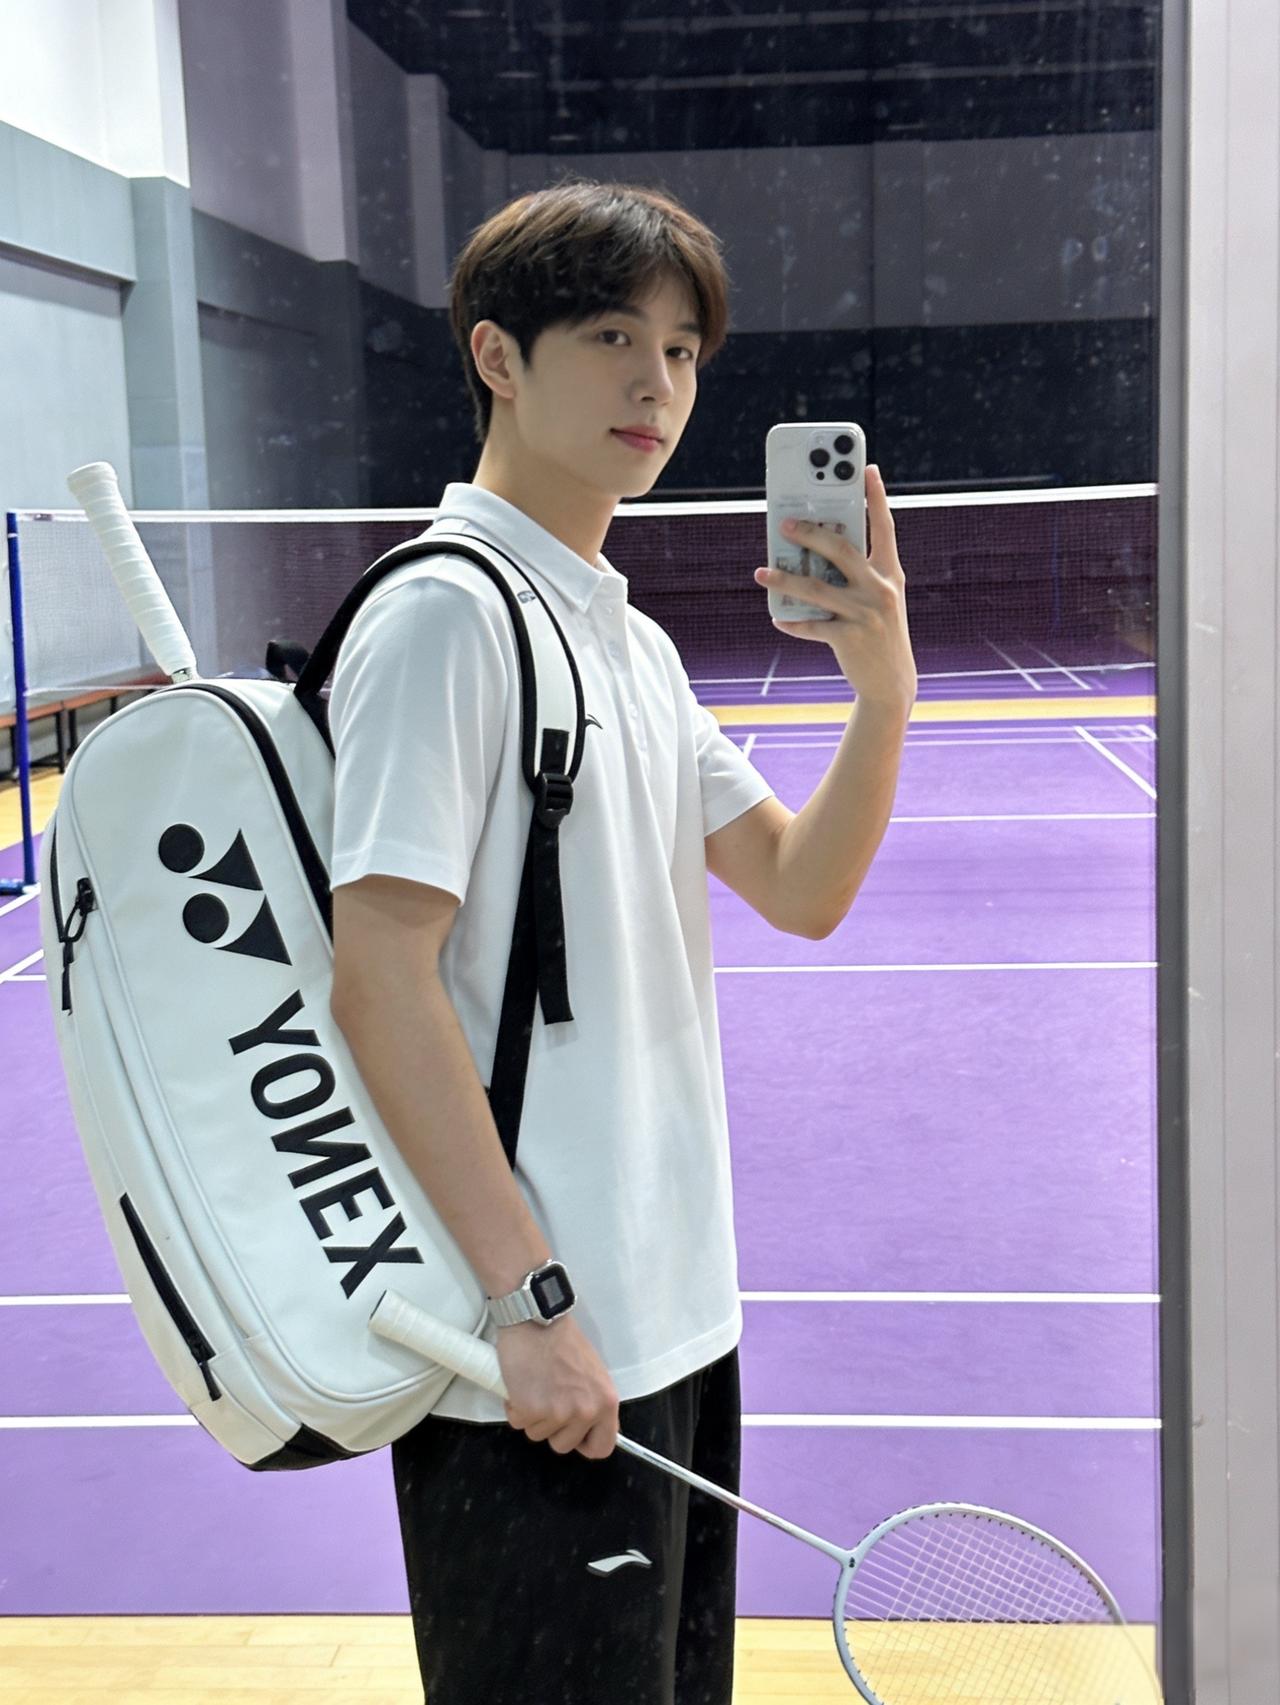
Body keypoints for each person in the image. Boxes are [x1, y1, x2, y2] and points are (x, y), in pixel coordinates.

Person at [327, 176, 917, 1705]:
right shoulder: (447, 616)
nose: (657, 382)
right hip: (532, 1349)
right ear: (497, 357)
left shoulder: (630, 641)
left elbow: (801, 884)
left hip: (674, 1325)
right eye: (610, 336)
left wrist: (885, 695)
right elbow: (380, 976)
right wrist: (527, 1305)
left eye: (682, 349)